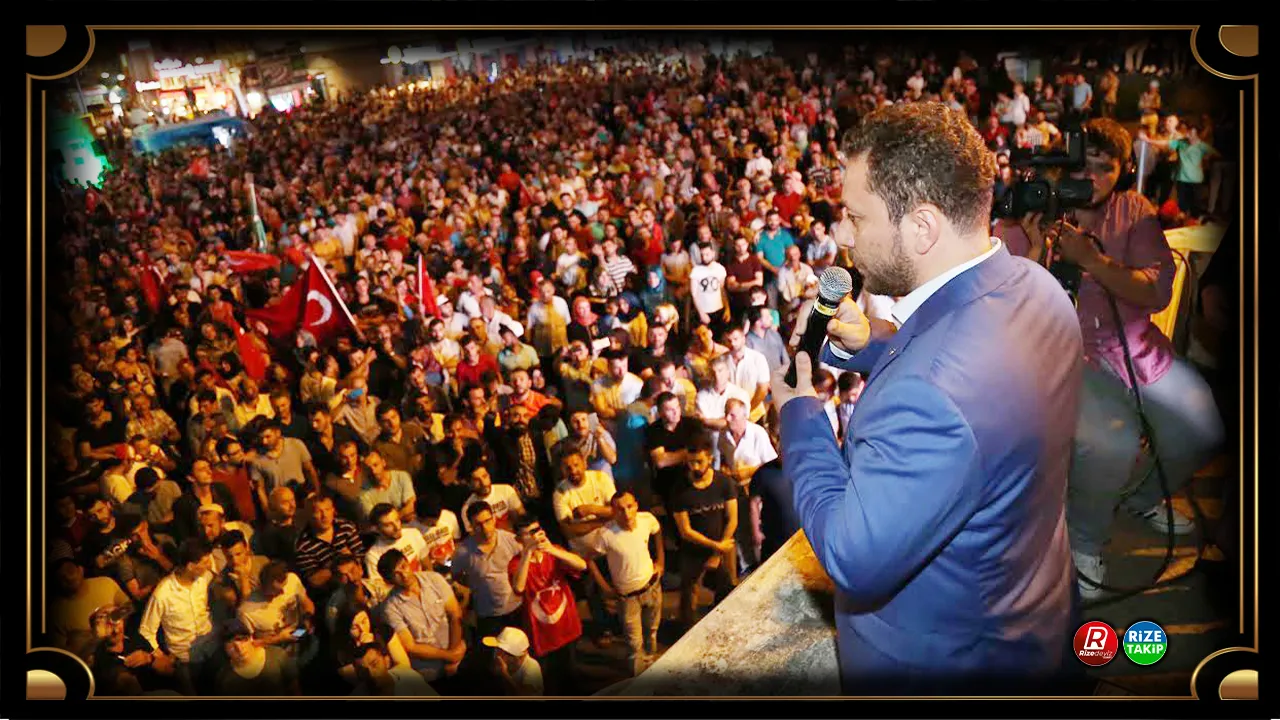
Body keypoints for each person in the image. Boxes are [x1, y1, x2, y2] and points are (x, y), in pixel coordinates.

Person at [770, 103, 1082, 695]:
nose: (842, 236)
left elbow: (851, 555)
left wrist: (801, 415)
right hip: (1036, 611)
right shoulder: (1039, 287)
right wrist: (872, 342)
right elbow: (967, 363)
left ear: (922, 227)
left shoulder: (931, 397)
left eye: (855, 217)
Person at [998, 118, 1225, 601]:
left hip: (1138, 350)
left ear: (1124, 171)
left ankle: (1140, 498)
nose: (1094, 177)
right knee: (1109, 445)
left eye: (1107, 167)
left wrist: (1094, 262)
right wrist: (1037, 247)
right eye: (1084, 165)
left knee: (1204, 428)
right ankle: (1084, 542)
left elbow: (1158, 291)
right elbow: (1008, 306)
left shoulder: (1134, 210)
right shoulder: (1033, 210)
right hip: (1064, 354)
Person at [584, 490, 665, 677]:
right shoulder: (606, 534)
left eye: (629, 507)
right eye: (620, 509)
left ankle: (652, 664)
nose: (627, 513)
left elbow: (657, 532)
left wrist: (660, 561)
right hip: (628, 597)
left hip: (652, 586)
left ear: (636, 505)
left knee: (652, 631)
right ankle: (640, 679)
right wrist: (604, 587)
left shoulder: (647, 520)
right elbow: (590, 559)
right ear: (613, 511)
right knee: (634, 643)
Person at [508, 517, 587, 695]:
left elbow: (582, 565)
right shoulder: (516, 563)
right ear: (518, 539)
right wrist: (528, 553)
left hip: (566, 628)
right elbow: (518, 587)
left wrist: (551, 549)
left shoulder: (554, 552)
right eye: (529, 533)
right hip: (542, 635)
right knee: (550, 685)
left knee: (572, 679)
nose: (535, 536)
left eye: (537, 530)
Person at [481, 626, 545, 696]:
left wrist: (504, 674)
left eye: (500, 651)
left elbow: (525, 696)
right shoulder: (501, 663)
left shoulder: (532, 667)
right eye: (496, 649)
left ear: (515, 657)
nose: (496, 653)